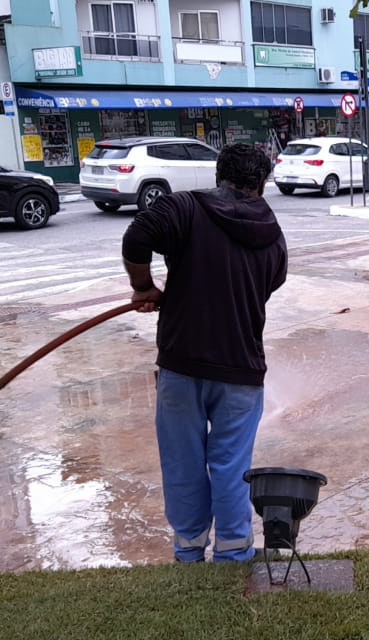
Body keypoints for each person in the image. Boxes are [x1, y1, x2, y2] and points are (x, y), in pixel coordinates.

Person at [121, 143, 288, 563]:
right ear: (262, 183)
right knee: (231, 464)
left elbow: (138, 236)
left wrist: (143, 286)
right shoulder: (273, 236)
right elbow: (263, 288)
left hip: (182, 363)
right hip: (241, 371)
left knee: (182, 462)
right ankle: (234, 552)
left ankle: (189, 550)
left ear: (218, 176)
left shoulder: (185, 209)